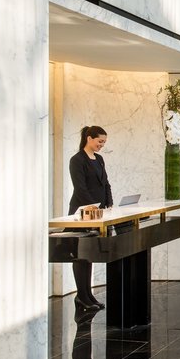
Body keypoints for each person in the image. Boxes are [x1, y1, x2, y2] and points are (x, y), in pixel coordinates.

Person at [68, 125, 113, 310]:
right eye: (99, 141)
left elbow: (105, 183)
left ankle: (88, 295)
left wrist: (109, 203)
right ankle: (81, 296)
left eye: (104, 142)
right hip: (82, 213)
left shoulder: (99, 159)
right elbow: (80, 188)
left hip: (98, 213)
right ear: (89, 138)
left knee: (90, 254)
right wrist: (93, 208)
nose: (101, 145)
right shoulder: (77, 160)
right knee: (81, 255)